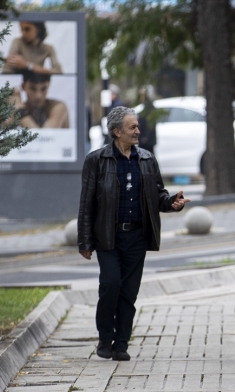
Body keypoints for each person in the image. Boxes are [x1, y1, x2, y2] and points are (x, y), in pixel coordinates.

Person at [77, 106, 191, 361]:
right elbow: (86, 204)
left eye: (137, 126)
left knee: (129, 292)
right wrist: (84, 241)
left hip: (137, 238)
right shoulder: (96, 160)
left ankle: (121, 344)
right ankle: (105, 338)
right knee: (110, 284)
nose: (138, 131)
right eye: (133, 127)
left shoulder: (147, 159)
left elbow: (158, 195)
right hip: (108, 236)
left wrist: (171, 202)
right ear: (117, 132)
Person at [137, 85, 157, 153]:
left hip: (146, 141)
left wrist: (145, 137)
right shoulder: (145, 106)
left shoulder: (149, 107)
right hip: (144, 139)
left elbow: (150, 124)